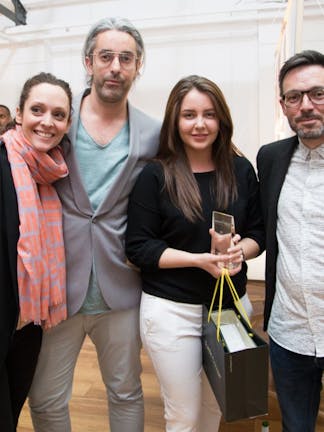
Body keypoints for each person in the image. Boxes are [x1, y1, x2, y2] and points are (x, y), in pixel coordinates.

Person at [28, 17, 160, 432]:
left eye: (126, 58)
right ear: (89, 62)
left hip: (120, 288)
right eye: (106, 56)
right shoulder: (57, 124)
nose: (115, 66)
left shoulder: (153, 134)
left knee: (125, 391)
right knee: (47, 398)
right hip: (56, 289)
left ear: (138, 66)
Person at [125, 75, 264, 432]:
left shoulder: (241, 170)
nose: (200, 124)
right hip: (173, 312)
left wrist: (236, 252)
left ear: (222, 120)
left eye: (209, 114)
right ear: (175, 120)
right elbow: (139, 247)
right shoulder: (155, 176)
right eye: (189, 115)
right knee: (183, 415)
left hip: (231, 307)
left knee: (216, 404)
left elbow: (258, 235)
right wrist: (200, 260)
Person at [0, 72, 72, 431]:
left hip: (27, 325)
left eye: (58, 114)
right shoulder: (3, 161)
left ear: (68, 123)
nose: (47, 122)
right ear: (19, 113)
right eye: (37, 110)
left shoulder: (50, 175)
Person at [257, 50, 324, 432]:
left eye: (318, 93)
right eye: (295, 97)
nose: (306, 106)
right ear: (282, 105)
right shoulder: (271, 158)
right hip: (289, 332)